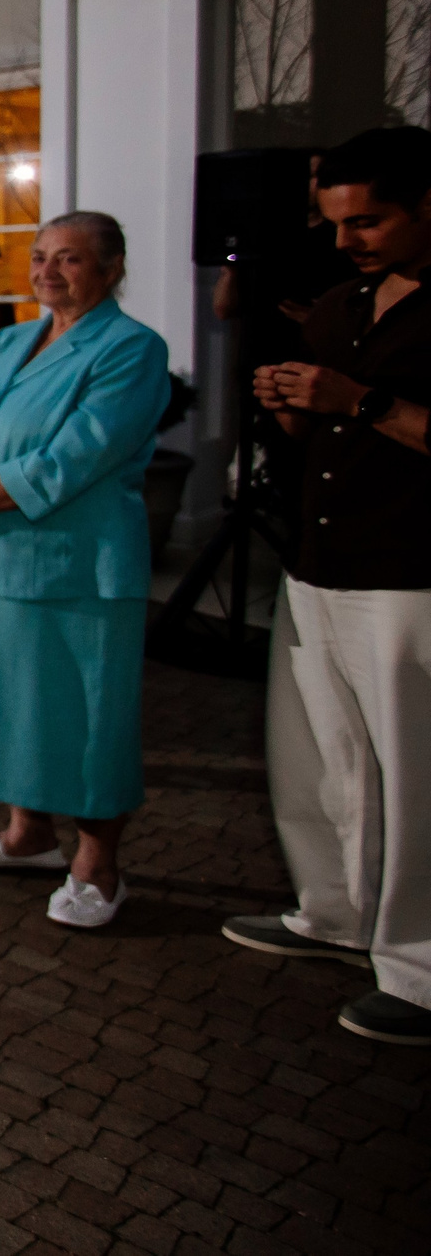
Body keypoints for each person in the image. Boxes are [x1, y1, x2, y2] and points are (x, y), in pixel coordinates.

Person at [0, 213, 169, 929]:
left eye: (71, 259)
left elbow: (74, 457)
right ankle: (28, 836)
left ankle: (98, 864)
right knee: (9, 707)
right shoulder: (9, 340)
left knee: (88, 716)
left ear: (112, 268)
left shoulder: (132, 348)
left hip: (76, 569)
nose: (49, 271)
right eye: (40, 256)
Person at [233, 125, 431, 1046]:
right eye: (336, 221)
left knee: (413, 773)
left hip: (409, 574)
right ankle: (334, 912)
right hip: (317, 564)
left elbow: (380, 419)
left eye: (370, 221)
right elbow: (321, 443)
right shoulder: (341, 304)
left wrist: (361, 401)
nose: (347, 240)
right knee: (323, 755)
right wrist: (289, 408)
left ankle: (422, 969)